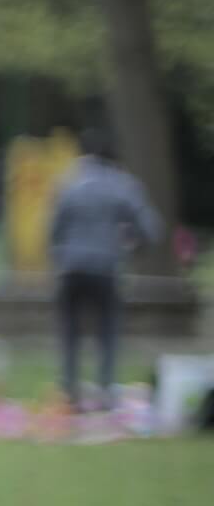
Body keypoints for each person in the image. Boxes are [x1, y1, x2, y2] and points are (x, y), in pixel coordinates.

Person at [49, 127, 164, 410]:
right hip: (106, 268)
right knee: (108, 332)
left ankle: (69, 391)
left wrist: (62, 255)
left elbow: (53, 231)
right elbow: (152, 229)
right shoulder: (122, 184)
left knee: (70, 332)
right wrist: (133, 247)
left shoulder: (68, 182)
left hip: (71, 268)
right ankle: (105, 393)